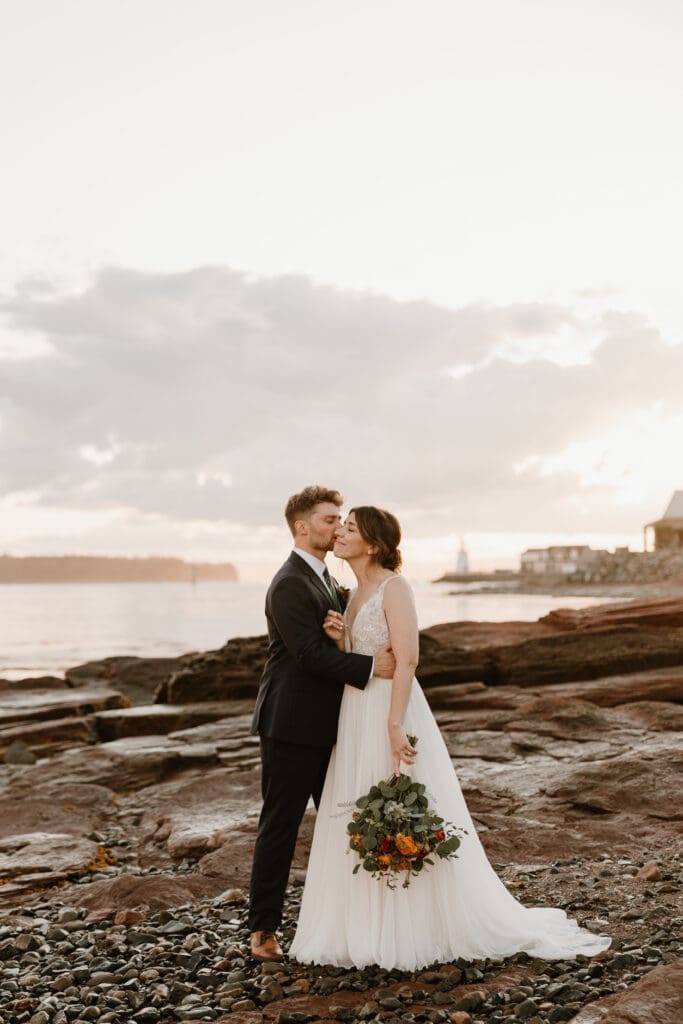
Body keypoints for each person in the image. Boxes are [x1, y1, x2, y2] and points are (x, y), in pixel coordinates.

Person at [290, 505, 611, 971]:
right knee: (361, 804)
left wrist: (395, 724)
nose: (339, 532)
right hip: (355, 711)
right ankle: (362, 925)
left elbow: (408, 659)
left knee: (400, 804)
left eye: (350, 528)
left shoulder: (394, 588)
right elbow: (363, 658)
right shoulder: (352, 594)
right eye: (340, 526)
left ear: (373, 545)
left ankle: (414, 926)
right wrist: (340, 640)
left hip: (390, 708)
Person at [248, 487, 397, 961]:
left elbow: (330, 643)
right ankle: (263, 930)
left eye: (339, 520)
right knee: (281, 825)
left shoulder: (327, 578)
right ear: (302, 526)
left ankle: (357, 922)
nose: (338, 527)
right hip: (290, 725)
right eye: (330, 519)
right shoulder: (289, 583)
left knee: (343, 821)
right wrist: (371, 667)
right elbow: (307, 655)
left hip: (333, 724)